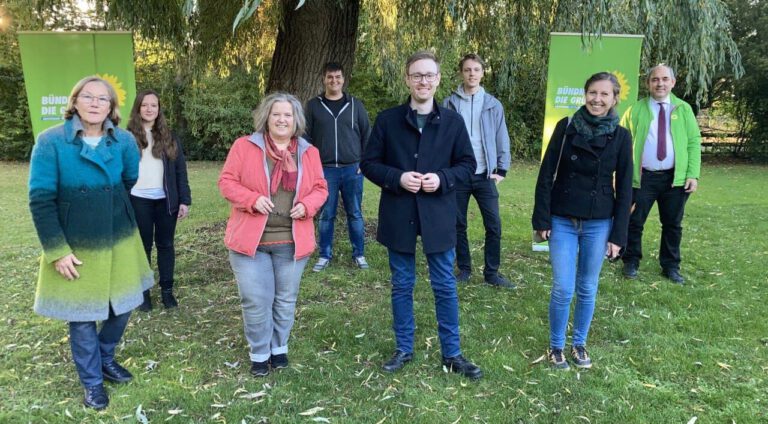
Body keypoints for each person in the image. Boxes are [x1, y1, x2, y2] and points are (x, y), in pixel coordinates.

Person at [28, 76, 153, 409]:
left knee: (126, 302)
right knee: (82, 315)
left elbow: (129, 179)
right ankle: (93, 382)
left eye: (103, 99)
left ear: (112, 107)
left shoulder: (124, 140)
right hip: (76, 242)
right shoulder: (50, 142)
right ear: (75, 101)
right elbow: (40, 199)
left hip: (119, 236)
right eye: (89, 97)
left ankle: (104, 356)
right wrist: (57, 250)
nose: (96, 103)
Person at [361, 51, 482, 380]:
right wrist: (396, 178)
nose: (423, 81)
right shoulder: (387, 120)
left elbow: (468, 165)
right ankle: (403, 348)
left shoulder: (453, 122)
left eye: (429, 75)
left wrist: (443, 179)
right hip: (399, 212)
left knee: (444, 285)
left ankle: (452, 353)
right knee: (402, 284)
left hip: (438, 214)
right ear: (407, 79)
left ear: (439, 79)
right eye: (417, 75)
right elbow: (368, 163)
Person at [218, 92, 328, 377]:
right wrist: (251, 199)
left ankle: (279, 348)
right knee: (256, 299)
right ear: (266, 118)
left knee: (285, 300)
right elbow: (227, 182)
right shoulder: (244, 147)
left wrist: (307, 205)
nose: (282, 119)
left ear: (296, 121)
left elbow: (320, 189)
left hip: (292, 241)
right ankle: (259, 352)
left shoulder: (308, 152)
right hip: (250, 242)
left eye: (288, 115)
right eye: (276, 114)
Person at [532, 72, 633, 370]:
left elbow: (625, 188)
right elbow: (545, 175)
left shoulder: (621, 136)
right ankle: (556, 346)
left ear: (614, 99)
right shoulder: (565, 128)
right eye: (592, 93)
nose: (597, 99)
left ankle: (579, 343)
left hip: (599, 221)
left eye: (604, 94)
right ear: (584, 94)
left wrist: (619, 236)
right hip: (562, 218)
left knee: (587, 287)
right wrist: (541, 217)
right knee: (563, 287)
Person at [620, 64, 702, 284]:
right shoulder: (634, 110)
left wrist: (693, 174)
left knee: (673, 224)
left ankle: (671, 266)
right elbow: (622, 144)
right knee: (634, 221)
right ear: (648, 83)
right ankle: (630, 261)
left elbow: (694, 142)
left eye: (665, 79)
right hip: (643, 177)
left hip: (675, 178)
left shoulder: (684, 109)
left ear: (673, 83)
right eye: (655, 79)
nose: (660, 83)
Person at [443, 53, 513, 288]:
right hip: (459, 173)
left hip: (485, 175)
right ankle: (464, 269)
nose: (472, 74)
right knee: (457, 224)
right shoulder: (449, 103)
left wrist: (501, 169)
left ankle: (492, 273)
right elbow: (440, 138)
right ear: (461, 73)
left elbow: (501, 137)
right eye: (467, 70)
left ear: (483, 73)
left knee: (494, 225)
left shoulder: (493, 104)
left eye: (476, 70)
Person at [127, 89, 192, 310]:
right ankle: (143, 294)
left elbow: (180, 170)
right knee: (143, 247)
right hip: (138, 200)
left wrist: (184, 200)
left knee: (165, 245)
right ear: (138, 107)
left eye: (154, 105)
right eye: (145, 105)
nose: (149, 109)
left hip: (165, 201)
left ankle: (167, 291)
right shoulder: (126, 137)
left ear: (159, 109)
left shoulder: (169, 136)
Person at [305, 62, 371, 272]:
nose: (334, 81)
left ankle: (359, 254)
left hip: (352, 169)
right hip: (325, 170)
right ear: (323, 79)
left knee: (355, 213)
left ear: (343, 79)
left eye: (338, 77)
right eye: (330, 77)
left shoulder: (355, 104)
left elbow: (367, 134)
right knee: (326, 214)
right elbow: (305, 137)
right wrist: (312, 165)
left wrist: (364, 162)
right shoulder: (314, 105)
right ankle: (324, 255)